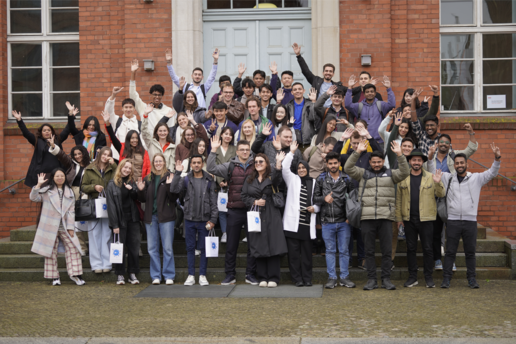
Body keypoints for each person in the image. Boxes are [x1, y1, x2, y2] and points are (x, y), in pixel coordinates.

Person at [428, 144, 502, 289]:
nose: (460, 165)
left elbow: (492, 172)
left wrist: (497, 158)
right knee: (450, 252)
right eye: (457, 163)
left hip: (470, 221)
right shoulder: (448, 178)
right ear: (454, 165)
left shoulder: (476, 178)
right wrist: (430, 156)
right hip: (453, 221)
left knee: (470, 252)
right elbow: (432, 171)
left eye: (462, 163)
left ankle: (472, 279)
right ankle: (446, 279)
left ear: (467, 164)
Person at [344, 140, 410, 291]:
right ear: (370, 162)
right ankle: (371, 280)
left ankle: (386, 279)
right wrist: (358, 152)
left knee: (387, 251)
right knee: (369, 251)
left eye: (379, 162)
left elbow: (405, 172)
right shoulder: (363, 174)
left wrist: (400, 155)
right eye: (374, 162)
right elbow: (348, 167)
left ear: (383, 162)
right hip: (367, 218)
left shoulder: (391, 174)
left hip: (386, 217)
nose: (376, 164)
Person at [208, 139, 258, 286]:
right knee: (231, 245)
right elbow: (211, 168)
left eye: (246, 150)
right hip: (234, 210)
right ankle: (230, 275)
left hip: (252, 210)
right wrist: (213, 150)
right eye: (241, 149)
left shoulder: (256, 165)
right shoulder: (230, 165)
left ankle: (250, 274)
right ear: (236, 151)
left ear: (249, 151)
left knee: (253, 245)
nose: (244, 152)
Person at [395, 149, 445, 288]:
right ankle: (412, 277)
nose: (416, 162)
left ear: (422, 162)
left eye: (419, 160)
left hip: (427, 219)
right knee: (410, 248)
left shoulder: (431, 176)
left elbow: (441, 194)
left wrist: (438, 182)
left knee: (428, 248)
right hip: (409, 219)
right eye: (414, 160)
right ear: (409, 161)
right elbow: (398, 199)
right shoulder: (403, 177)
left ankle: (428, 277)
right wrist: (399, 218)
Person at [30, 170, 85, 286]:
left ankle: (75, 274)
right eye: (57, 176)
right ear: (53, 178)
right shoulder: (47, 191)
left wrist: (70, 227)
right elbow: (34, 198)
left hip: (64, 226)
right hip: (49, 226)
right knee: (50, 252)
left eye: (62, 176)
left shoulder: (69, 191)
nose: (60, 178)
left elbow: (71, 211)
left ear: (65, 177)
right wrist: (38, 185)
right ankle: (54, 277)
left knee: (74, 248)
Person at [170, 155, 218, 286]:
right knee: (190, 248)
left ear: (202, 164)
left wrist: (213, 219)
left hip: (205, 220)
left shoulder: (209, 179)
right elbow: (173, 190)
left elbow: (214, 202)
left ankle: (202, 275)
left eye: (199, 162)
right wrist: (178, 172)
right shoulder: (186, 179)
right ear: (190, 165)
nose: (196, 165)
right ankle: (191, 275)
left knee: (203, 249)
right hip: (189, 219)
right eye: (194, 163)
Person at [241, 152, 287, 288]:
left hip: (272, 213)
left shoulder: (272, 176)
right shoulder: (249, 179)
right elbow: (243, 195)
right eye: (256, 162)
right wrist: (254, 201)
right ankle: (262, 276)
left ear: (266, 163)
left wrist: (278, 163)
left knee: (273, 244)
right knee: (258, 245)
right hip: (256, 215)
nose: (258, 164)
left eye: (261, 161)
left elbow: (279, 180)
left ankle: (273, 277)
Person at [314, 151, 356, 289]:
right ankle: (332, 277)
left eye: (335, 163)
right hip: (327, 221)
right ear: (326, 164)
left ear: (339, 163)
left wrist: (350, 217)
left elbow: (353, 199)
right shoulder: (320, 179)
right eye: (330, 163)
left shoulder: (347, 179)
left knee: (344, 250)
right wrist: (323, 199)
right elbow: (315, 198)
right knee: (330, 250)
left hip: (344, 221)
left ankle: (344, 277)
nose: (333, 166)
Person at [281, 143, 319, 287]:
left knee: (307, 256)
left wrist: (314, 208)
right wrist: (291, 153)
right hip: (292, 226)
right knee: (294, 255)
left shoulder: (314, 182)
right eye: (299, 168)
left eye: (304, 168)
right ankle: (297, 279)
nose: (302, 170)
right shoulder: (291, 179)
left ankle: (307, 278)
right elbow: (284, 167)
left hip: (307, 224)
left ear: (307, 169)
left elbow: (318, 201)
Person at [137, 153, 178, 285]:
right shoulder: (148, 178)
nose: (158, 163)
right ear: (153, 163)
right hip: (151, 217)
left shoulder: (169, 176)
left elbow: (173, 198)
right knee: (152, 248)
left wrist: (169, 185)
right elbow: (143, 199)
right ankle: (155, 275)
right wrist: (141, 190)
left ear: (164, 162)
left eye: (160, 161)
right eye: (156, 161)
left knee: (167, 248)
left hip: (166, 217)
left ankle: (169, 275)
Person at [12, 109, 75, 188]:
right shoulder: (37, 141)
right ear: (41, 132)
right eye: (44, 130)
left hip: (57, 174)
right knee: (43, 197)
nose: (47, 132)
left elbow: (67, 129)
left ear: (52, 132)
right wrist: (19, 120)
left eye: (49, 130)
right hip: (42, 175)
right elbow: (26, 133)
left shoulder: (57, 140)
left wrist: (71, 116)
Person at [48, 141, 91, 254]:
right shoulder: (71, 165)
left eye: (79, 153)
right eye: (75, 154)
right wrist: (53, 146)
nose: (77, 156)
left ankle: (93, 247)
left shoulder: (92, 165)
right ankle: (82, 248)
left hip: (87, 195)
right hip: (72, 194)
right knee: (75, 222)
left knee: (88, 220)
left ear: (84, 153)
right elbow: (62, 155)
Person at [81, 147, 117, 274]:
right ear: (100, 154)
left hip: (109, 205)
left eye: (108, 155)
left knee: (107, 234)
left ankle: (107, 263)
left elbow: (119, 179)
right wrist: (94, 187)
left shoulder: (112, 168)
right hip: (94, 205)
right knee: (94, 235)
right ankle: (96, 264)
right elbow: (83, 187)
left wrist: (114, 165)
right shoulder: (89, 169)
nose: (105, 156)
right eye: (104, 154)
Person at [105, 159, 141, 286]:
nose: (127, 170)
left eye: (129, 168)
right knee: (119, 248)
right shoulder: (112, 184)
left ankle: (132, 273)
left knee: (134, 247)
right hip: (120, 221)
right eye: (125, 167)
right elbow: (111, 206)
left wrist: (132, 190)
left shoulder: (132, 182)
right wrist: (114, 225)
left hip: (133, 219)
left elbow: (137, 198)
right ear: (120, 167)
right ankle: (120, 274)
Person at [345, 75, 396, 146]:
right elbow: (347, 105)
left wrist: (388, 88)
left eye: (372, 91)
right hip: (363, 141)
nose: (369, 93)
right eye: (367, 92)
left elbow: (392, 105)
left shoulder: (381, 105)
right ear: (364, 94)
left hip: (379, 142)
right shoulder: (359, 106)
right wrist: (349, 88)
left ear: (375, 93)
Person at [130, 59, 175, 136]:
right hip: (146, 144)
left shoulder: (168, 110)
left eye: (159, 95)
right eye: (154, 94)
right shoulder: (143, 108)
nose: (157, 97)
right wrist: (133, 73)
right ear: (150, 95)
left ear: (162, 96)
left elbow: (171, 130)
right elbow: (133, 95)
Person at [103, 110, 151, 180]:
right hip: (126, 182)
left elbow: (148, 168)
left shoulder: (144, 152)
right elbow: (112, 137)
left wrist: (146, 182)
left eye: (136, 138)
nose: (134, 140)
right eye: (132, 138)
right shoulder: (122, 148)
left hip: (140, 183)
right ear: (128, 139)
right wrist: (107, 123)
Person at [210, 129, 237, 244]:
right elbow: (212, 165)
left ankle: (231, 232)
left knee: (231, 209)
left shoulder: (234, 149)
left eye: (230, 135)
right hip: (218, 184)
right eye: (226, 134)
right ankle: (224, 232)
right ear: (221, 135)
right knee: (221, 209)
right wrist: (220, 180)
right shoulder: (216, 148)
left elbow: (235, 165)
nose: (228, 136)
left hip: (232, 183)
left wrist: (227, 180)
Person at [104, 86, 143, 160]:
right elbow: (108, 112)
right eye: (126, 107)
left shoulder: (139, 124)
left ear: (134, 109)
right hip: (116, 158)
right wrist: (113, 95)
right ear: (122, 108)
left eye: (130, 107)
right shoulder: (116, 120)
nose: (128, 109)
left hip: (134, 159)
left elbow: (143, 143)